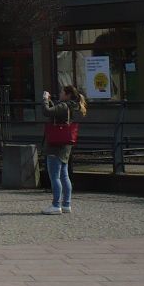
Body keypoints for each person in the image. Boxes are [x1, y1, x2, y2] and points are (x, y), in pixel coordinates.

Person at [41, 84, 86, 215]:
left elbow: (46, 112)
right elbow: (54, 111)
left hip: (55, 145)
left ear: (67, 94)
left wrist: (44, 99)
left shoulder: (63, 105)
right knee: (64, 175)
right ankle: (66, 204)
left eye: (62, 92)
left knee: (54, 176)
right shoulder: (72, 106)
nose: (60, 94)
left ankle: (56, 205)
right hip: (66, 145)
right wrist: (50, 102)